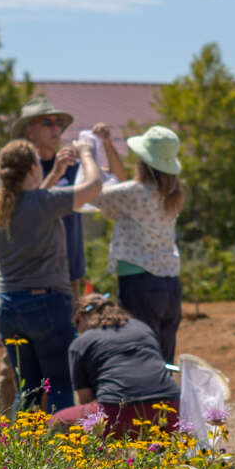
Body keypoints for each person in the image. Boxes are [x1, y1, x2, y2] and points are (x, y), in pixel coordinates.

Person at [0, 136, 102, 413]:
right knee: (59, 385)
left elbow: (33, 207)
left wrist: (55, 174)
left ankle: (22, 451)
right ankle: (59, 451)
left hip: (8, 308)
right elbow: (94, 187)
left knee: (28, 390)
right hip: (48, 305)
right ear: (31, 170)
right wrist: (87, 153)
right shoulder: (43, 203)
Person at [83, 121, 184, 360]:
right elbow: (120, 182)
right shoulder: (171, 194)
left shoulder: (134, 192)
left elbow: (90, 192)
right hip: (169, 283)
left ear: (143, 161)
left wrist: (87, 155)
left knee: (140, 353)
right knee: (163, 356)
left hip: (139, 281)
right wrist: (107, 144)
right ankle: (165, 397)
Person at [54, 293, 181, 439]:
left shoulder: (81, 342)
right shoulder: (142, 327)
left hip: (119, 414)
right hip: (170, 411)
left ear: (82, 318)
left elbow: (86, 400)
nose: (78, 330)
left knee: (57, 422)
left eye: (77, 324)